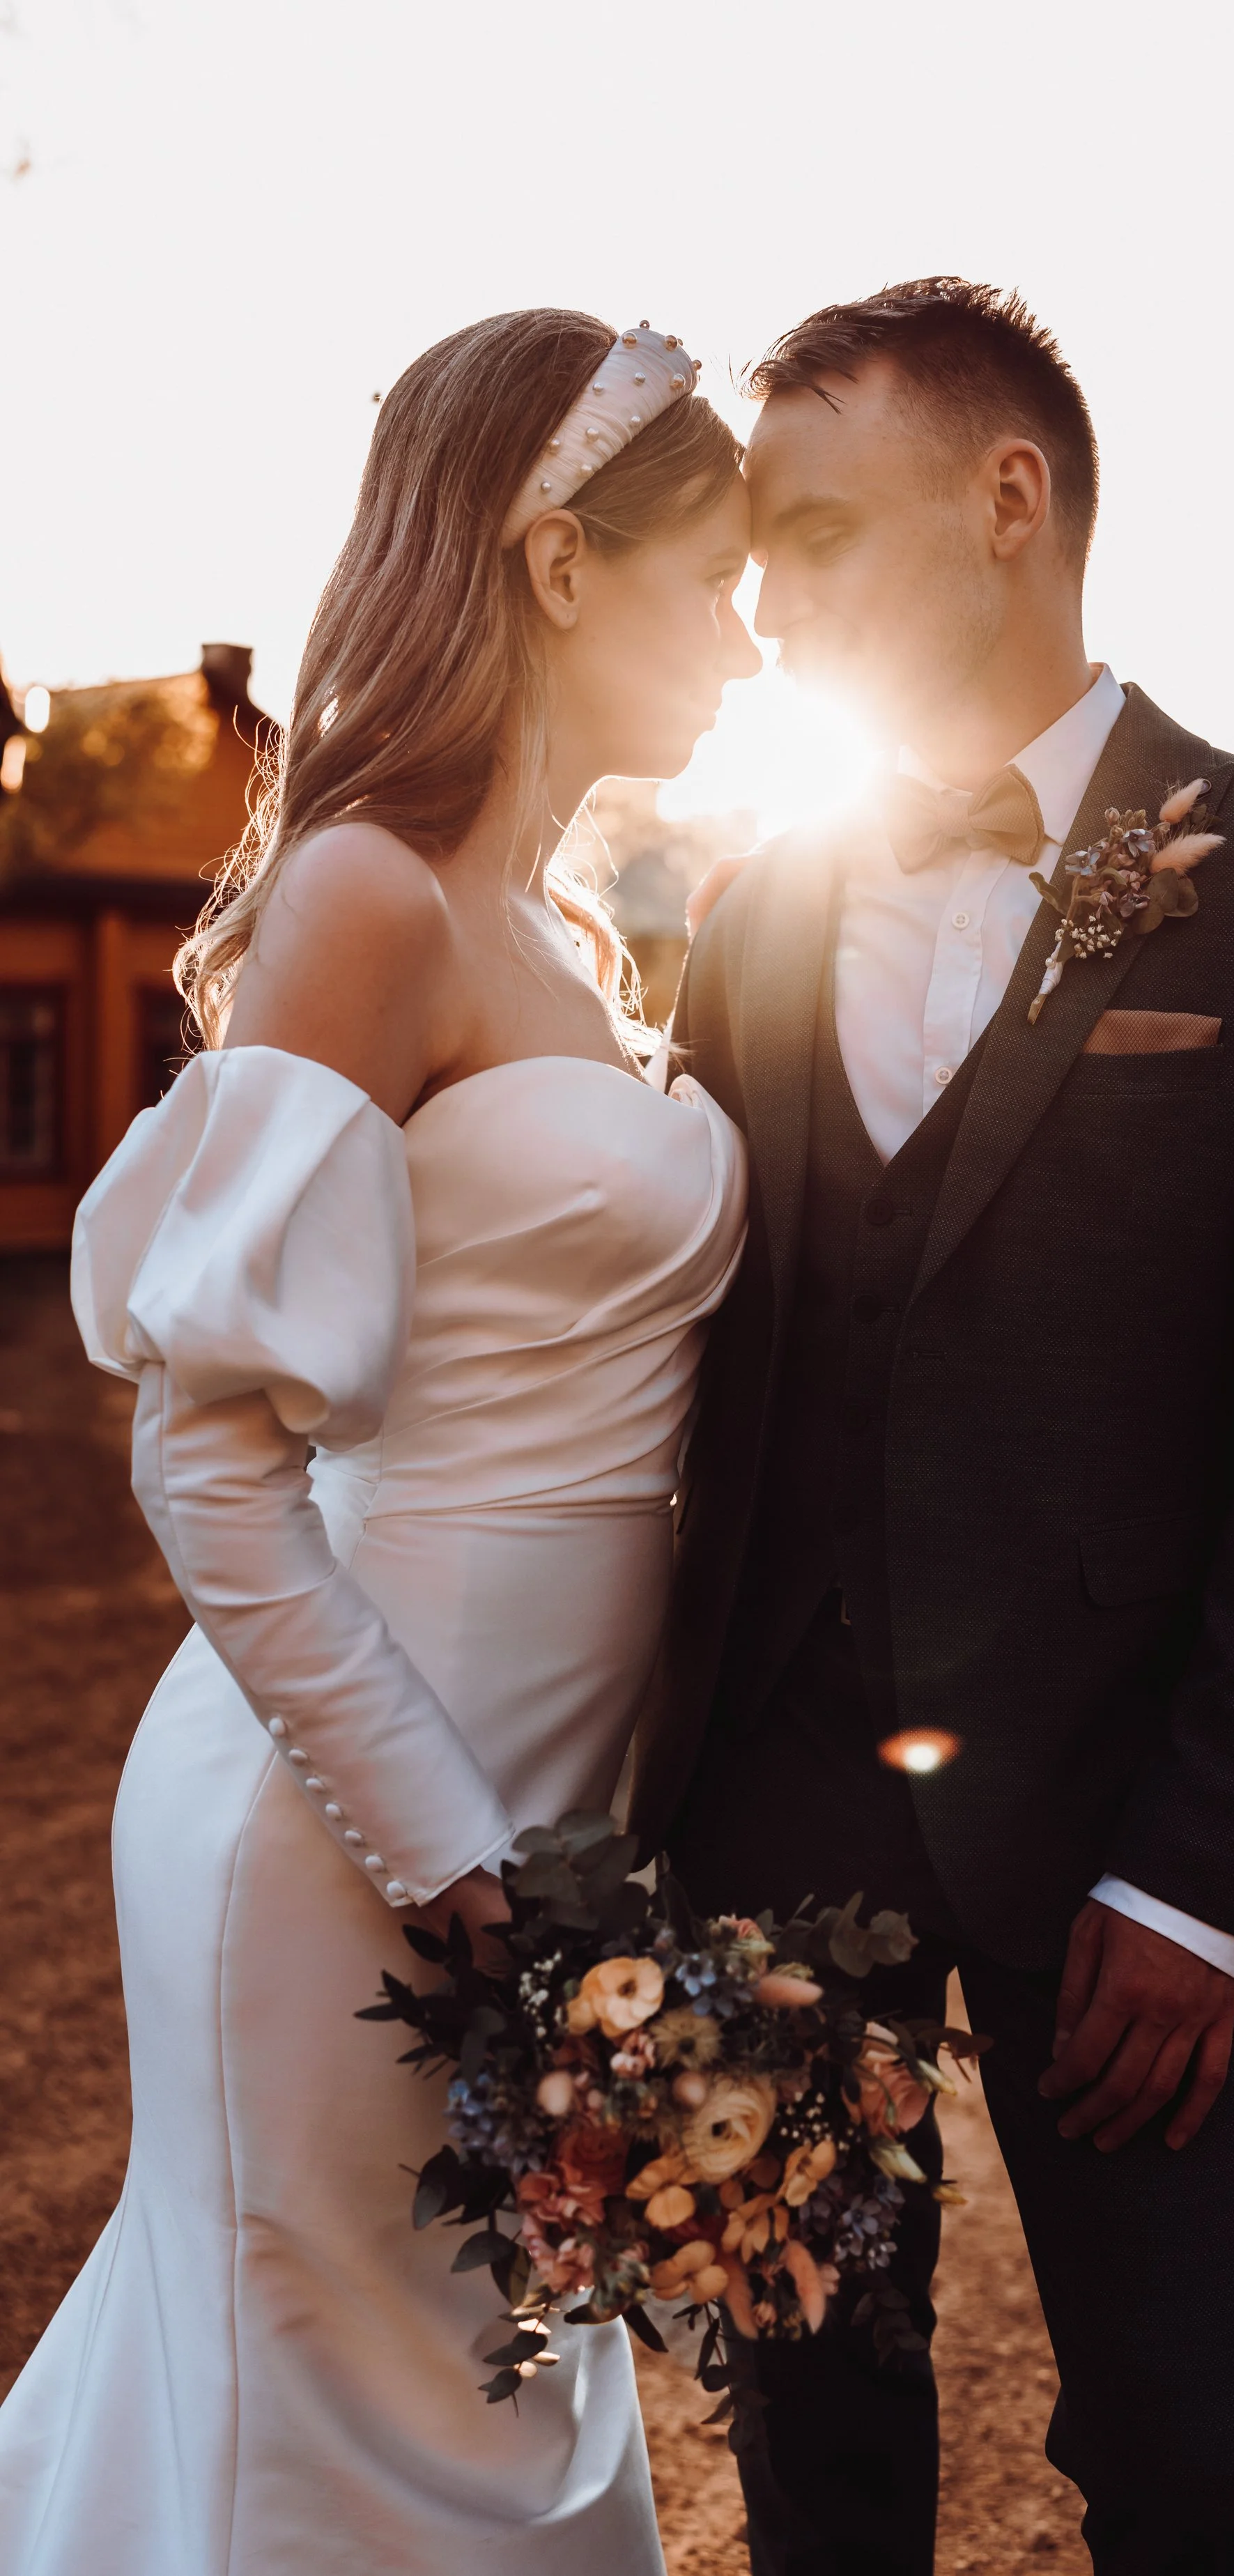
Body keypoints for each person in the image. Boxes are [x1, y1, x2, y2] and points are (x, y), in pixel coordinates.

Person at [634, 278, 1234, 2575]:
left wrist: (1202, 1881)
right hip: (776, 1806)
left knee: (1185, 2456)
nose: (768, 607)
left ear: (1007, 501)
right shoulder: (756, 909)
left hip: (1118, 1834)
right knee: (812, 2445)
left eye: (814, 535)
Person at [0, 307, 755, 2575]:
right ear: (559, 563)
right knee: (326, 2438)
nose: (745, 645)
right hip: (350, 1835)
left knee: (509, 2396)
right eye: (710, 582)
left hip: (551, 1838)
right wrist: (449, 1857)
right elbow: (206, 1463)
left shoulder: (571, 939)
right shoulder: (367, 896)